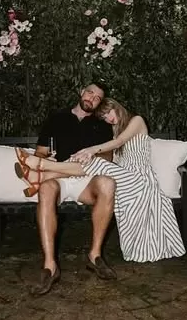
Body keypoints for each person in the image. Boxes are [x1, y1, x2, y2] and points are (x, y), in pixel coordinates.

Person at [17, 96, 186, 268]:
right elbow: (115, 155)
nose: (108, 118)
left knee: (94, 161)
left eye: (108, 113)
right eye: (104, 117)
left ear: (116, 107)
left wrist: (91, 150)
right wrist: (89, 154)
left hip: (140, 179)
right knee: (92, 161)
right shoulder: (115, 130)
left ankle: (42, 170)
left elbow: (119, 142)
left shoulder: (136, 120)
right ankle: (42, 176)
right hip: (124, 178)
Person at [22, 82, 118, 296]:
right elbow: (40, 153)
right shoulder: (57, 119)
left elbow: (107, 159)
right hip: (59, 180)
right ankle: (50, 266)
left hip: (86, 179)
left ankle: (95, 256)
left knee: (108, 183)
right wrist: (48, 158)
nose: (92, 98)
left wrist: (91, 156)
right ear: (81, 92)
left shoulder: (101, 125)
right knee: (46, 189)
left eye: (97, 98)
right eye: (90, 93)